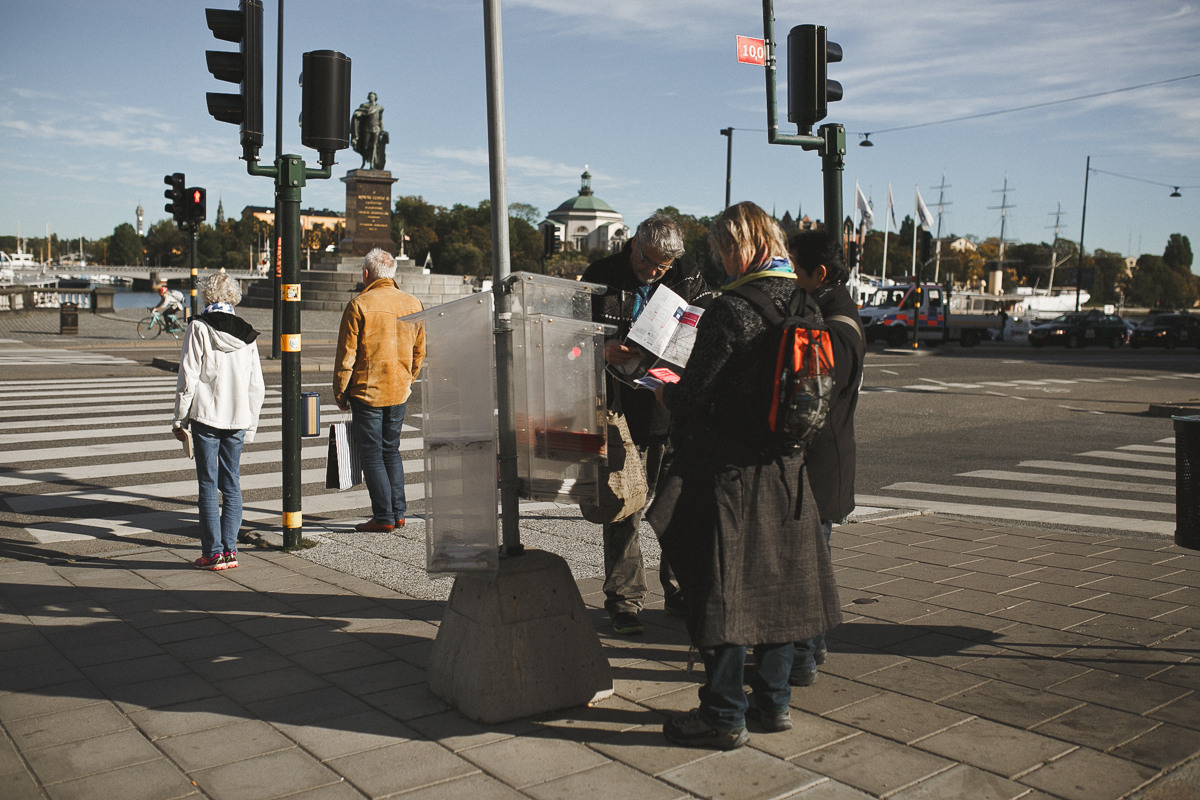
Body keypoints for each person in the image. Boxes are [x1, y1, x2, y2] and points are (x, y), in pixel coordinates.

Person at [646, 202, 842, 750]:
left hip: (729, 470)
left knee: (720, 589)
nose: (720, 262)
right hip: (787, 465)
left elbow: (693, 393)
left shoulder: (732, 309)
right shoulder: (805, 300)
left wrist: (664, 389)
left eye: (721, 251)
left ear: (740, 246)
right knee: (779, 587)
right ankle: (772, 702)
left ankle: (723, 713)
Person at [581, 214, 711, 636]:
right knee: (625, 506)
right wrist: (600, 349)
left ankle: (679, 591)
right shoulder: (602, 274)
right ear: (635, 243)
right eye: (649, 261)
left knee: (677, 508)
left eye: (663, 266)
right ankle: (624, 600)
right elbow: (570, 334)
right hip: (622, 408)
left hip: (673, 406)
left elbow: (704, 328)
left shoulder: (688, 275)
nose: (654, 272)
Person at [788, 228, 865, 687]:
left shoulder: (829, 325)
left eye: (794, 267)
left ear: (819, 273)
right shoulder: (839, 311)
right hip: (829, 460)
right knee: (816, 558)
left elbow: (810, 405)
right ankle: (812, 647)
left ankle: (800, 657)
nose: (790, 276)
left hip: (818, 463)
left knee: (805, 564)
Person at [172, 272, 265, 570]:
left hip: (207, 418)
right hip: (237, 418)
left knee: (208, 485)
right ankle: (230, 551)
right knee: (232, 484)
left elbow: (188, 378)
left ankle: (212, 553)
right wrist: (250, 425)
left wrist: (180, 419)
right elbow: (256, 385)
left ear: (206, 295)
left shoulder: (198, 327)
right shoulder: (247, 334)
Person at [334, 248, 425, 532]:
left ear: (366, 274)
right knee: (391, 451)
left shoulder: (359, 305)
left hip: (368, 391)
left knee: (371, 454)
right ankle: (398, 512)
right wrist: (409, 379)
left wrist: (341, 391)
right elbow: (419, 351)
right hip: (399, 390)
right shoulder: (413, 303)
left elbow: (347, 355)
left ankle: (383, 516)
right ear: (393, 273)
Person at [350, 92, 388, 170]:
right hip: (366, 128)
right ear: (368, 97)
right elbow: (358, 113)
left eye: (373, 96)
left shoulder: (379, 108)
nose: (371, 97)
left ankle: (371, 164)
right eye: (370, 96)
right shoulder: (364, 106)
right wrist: (357, 114)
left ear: (375, 97)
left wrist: (382, 129)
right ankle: (363, 162)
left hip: (376, 129)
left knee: (374, 146)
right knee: (365, 146)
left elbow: (380, 120)